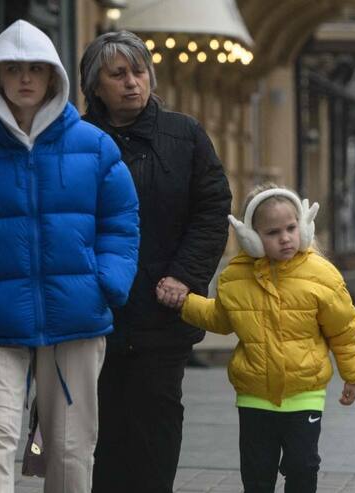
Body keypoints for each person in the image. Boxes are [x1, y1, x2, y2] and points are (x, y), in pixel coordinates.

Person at [0, 20, 139, 492]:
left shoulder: (94, 146)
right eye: (13, 68)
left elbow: (121, 220)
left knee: (68, 445)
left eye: (36, 69)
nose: (25, 78)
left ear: (52, 77)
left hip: (76, 315)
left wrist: (106, 281)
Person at [79, 31, 233, 493]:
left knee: (156, 419)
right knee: (101, 424)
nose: (132, 82)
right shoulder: (77, 140)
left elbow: (212, 210)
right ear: (95, 85)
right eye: (118, 74)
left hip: (162, 307)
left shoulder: (184, 135)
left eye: (139, 71)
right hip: (95, 308)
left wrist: (184, 276)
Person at [176, 184, 355, 493]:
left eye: (291, 228)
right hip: (254, 393)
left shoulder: (322, 275)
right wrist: (185, 303)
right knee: (256, 473)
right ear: (250, 238)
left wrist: (353, 375)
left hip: (305, 390)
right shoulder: (235, 278)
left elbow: (344, 329)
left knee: (303, 466)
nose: (285, 238)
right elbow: (221, 319)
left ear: (303, 227)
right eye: (273, 232)